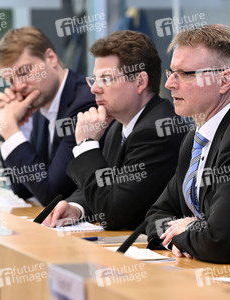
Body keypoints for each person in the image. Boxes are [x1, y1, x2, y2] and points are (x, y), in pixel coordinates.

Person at [43, 30, 186, 230]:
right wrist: (76, 207)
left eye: (107, 79)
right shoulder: (119, 125)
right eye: (94, 79)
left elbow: (113, 212)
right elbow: (103, 185)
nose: (94, 89)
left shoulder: (156, 131)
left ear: (140, 82)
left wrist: (86, 145)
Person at [145, 24, 230, 265]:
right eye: (171, 72)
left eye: (185, 74)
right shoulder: (195, 138)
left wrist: (190, 232)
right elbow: (155, 216)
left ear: (224, 80)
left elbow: (220, 241)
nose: (170, 84)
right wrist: (184, 234)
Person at [0, 26, 96, 205]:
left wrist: (9, 130)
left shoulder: (84, 102)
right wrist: (13, 128)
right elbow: (22, 188)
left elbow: (51, 194)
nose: (19, 86)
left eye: (24, 72)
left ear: (51, 58)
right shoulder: (41, 105)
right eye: (10, 81)